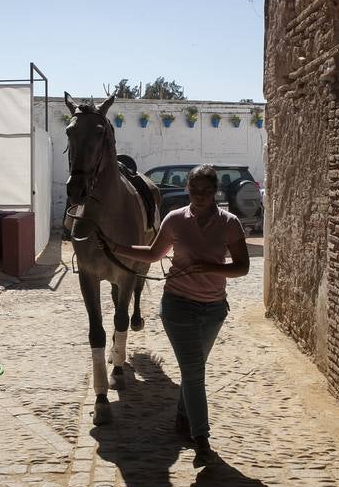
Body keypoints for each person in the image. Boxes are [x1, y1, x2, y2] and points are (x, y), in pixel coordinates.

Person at [104, 164, 249, 468]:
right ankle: (202, 441)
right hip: (178, 306)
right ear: (187, 188)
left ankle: (183, 419)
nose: (199, 195)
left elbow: (242, 267)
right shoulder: (174, 220)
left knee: (192, 369)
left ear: (215, 192)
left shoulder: (229, 223)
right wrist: (116, 248)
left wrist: (209, 268)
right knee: (195, 373)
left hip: (214, 309)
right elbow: (153, 254)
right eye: (194, 189)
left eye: (206, 190)